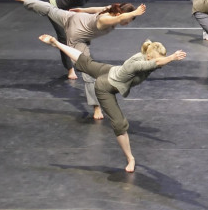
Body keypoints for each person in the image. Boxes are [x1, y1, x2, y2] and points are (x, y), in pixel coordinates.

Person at [37, 34, 186, 172]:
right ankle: (130, 159)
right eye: (159, 61)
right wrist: (172, 57)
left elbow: (157, 61)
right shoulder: (137, 64)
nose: (162, 64)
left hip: (111, 70)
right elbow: (157, 62)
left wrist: (56, 42)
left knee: (86, 62)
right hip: (105, 86)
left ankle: (56, 43)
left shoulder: (144, 55)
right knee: (119, 124)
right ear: (148, 57)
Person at [8, 0, 146, 120]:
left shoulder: (113, 8)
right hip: (76, 36)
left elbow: (98, 9)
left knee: (50, 9)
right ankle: (96, 107)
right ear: (121, 15)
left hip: (74, 17)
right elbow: (121, 17)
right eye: (127, 21)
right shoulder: (108, 19)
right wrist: (136, 12)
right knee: (88, 70)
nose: (127, 23)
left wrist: (82, 10)